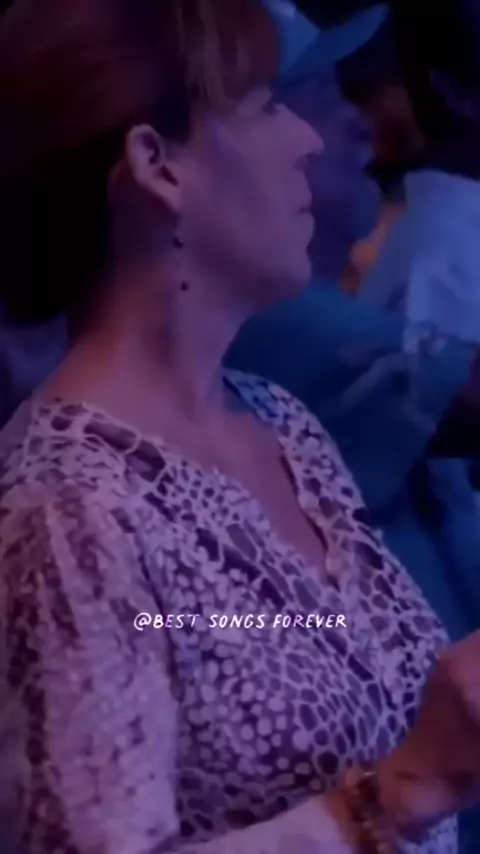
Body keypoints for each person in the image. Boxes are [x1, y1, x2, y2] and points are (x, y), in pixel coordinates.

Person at [1, 2, 480, 853]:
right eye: (265, 105)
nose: (305, 137)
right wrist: (399, 794)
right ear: (157, 167)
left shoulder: (279, 423)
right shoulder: (69, 514)